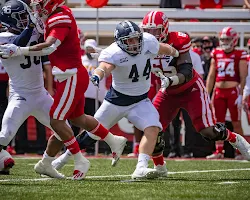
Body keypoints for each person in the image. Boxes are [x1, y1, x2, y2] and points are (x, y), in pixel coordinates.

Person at [0, 0, 127, 180]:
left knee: (60, 125)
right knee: (73, 120)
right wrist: (28, 31)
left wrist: (23, 45)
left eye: (26, 14)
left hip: (56, 83)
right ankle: (110, 141)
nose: (31, 13)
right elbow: (12, 47)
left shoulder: (55, 19)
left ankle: (74, 160)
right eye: (21, 16)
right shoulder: (7, 35)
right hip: (22, 95)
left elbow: (47, 46)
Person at [51, 20, 179, 179]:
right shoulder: (113, 52)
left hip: (140, 100)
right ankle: (63, 159)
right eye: (129, 40)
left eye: (136, 39)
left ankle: (141, 168)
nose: (134, 44)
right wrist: (97, 75)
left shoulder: (147, 41)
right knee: (92, 134)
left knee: (153, 128)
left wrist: (175, 52)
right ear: (120, 42)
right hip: (116, 101)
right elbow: (104, 67)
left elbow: (163, 48)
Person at [140, 11, 250, 176]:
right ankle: (159, 167)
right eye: (147, 31)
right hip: (168, 91)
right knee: (152, 127)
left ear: (164, 29)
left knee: (207, 130)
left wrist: (172, 81)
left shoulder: (178, 39)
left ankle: (235, 139)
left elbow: (187, 71)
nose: (150, 35)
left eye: (154, 30)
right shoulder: (142, 44)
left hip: (190, 88)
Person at [206, 27, 248, 159]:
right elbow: (211, 76)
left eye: (227, 39)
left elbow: (243, 77)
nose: (225, 41)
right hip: (218, 91)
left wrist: (241, 94)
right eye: (223, 39)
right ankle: (219, 151)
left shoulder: (239, 54)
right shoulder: (216, 53)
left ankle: (240, 152)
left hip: (233, 92)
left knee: (236, 122)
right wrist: (207, 93)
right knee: (217, 122)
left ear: (234, 39)